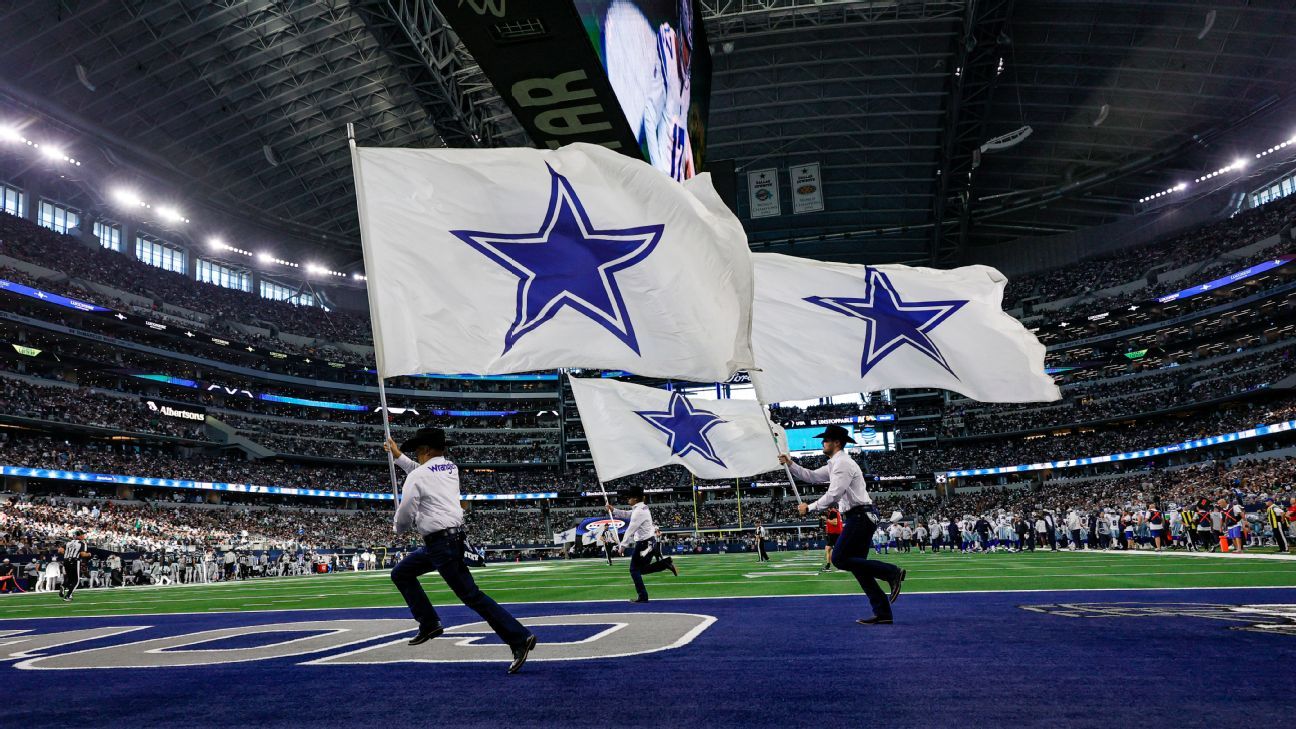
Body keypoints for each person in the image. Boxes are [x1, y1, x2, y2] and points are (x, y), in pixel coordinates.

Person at [384, 428, 536, 674]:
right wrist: (398, 456)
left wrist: (398, 527)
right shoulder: (449, 468)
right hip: (449, 542)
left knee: (472, 596)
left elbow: (406, 511)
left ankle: (519, 638)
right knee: (401, 573)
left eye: (418, 451)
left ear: (424, 450)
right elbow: (419, 472)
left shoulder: (419, 475)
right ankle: (429, 623)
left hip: (440, 545)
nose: (418, 455)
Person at [783, 425, 904, 625]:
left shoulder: (843, 463)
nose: (822, 443)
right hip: (859, 516)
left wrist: (810, 507)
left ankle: (891, 572)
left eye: (826, 440)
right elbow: (811, 476)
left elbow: (834, 494)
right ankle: (883, 613)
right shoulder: (834, 464)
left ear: (837, 442)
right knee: (859, 568)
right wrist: (791, 464)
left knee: (839, 559)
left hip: (860, 516)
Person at [607, 484, 678, 603]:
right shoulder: (642, 508)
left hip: (644, 544)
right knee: (640, 570)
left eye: (629, 497)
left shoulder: (639, 511)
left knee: (634, 570)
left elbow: (630, 529)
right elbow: (628, 514)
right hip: (649, 543)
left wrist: (622, 546)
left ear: (635, 498)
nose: (627, 499)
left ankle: (643, 596)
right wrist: (613, 510)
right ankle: (665, 564)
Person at [58, 530, 89, 602]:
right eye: (83, 535)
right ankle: (68, 596)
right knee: (76, 580)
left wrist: (68, 554)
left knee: (70, 578)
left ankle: (63, 586)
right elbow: (83, 554)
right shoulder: (82, 543)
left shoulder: (69, 542)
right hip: (74, 561)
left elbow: (60, 550)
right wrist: (89, 554)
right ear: (80, 536)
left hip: (66, 561)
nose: (84, 536)